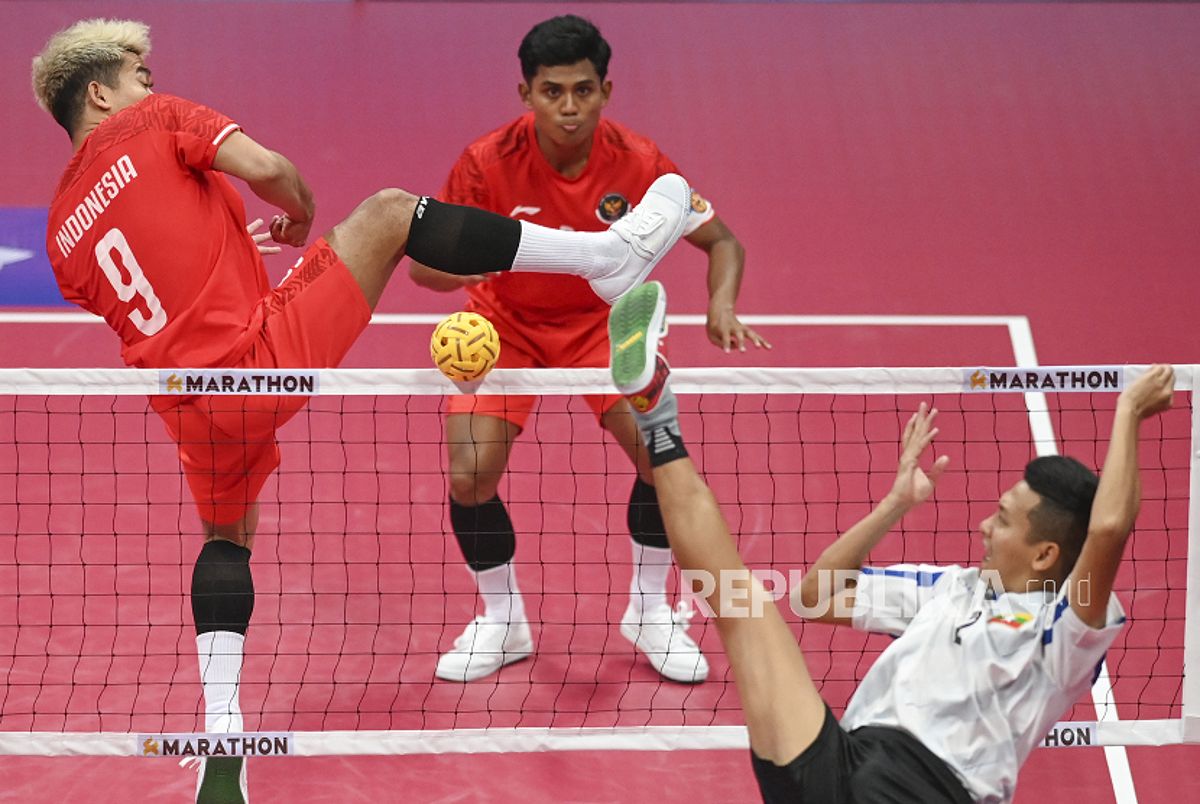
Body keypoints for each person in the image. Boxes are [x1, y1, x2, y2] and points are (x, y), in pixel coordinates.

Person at [32, 18, 692, 803]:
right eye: (138, 74)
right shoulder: (156, 117)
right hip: (261, 368)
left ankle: (221, 727)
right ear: (102, 91)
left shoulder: (59, 238)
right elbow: (271, 169)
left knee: (225, 540)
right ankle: (602, 258)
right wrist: (302, 214)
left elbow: (154, 293)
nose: (148, 83)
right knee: (385, 214)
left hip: (194, 411)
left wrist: (225, 246)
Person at [608, 281, 1174, 803]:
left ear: (1046, 554)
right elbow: (815, 597)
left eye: (1003, 520)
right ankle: (656, 413)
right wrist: (892, 507)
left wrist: (1128, 411)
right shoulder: (952, 588)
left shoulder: (1064, 638)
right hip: (838, 757)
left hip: (924, 792)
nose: (984, 526)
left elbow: (1107, 528)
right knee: (738, 597)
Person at [409, 14, 768, 685]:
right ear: (526, 94)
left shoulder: (640, 162)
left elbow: (723, 241)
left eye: (582, 90)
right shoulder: (486, 163)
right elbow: (422, 269)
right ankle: (503, 618)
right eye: (552, 92)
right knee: (469, 476)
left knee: (663, 462)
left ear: (607, 89)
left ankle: (649, 611)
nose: (568, 108)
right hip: (506, 324)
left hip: (606, 327)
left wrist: (721, 305)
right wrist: (477, 265)